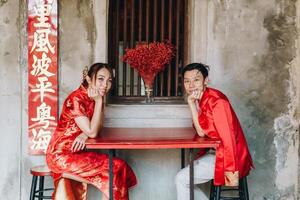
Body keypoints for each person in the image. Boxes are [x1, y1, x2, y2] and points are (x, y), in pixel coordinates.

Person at [46, 63, 137, 200]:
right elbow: (94, 133)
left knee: (116, 169)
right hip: (61, 155)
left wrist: (84, 134)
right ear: (89, 79)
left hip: (77, 153)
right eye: (100, 79)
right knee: (115, 170)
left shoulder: (94, 97)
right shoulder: (76, 99)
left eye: (109, 80)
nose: (105, 84)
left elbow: (98, 127)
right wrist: (99, 103)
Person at [175, 63, 254, 200]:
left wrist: (230, 174)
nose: (191, 85)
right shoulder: (202, 98)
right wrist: (191, 104)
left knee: (181, 179)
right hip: (216, 151)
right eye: (187, 81)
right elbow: (201, 132)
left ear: (206, 81)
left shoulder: (217, 102)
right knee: (183, 178)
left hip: (228, 156)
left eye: (196, 80)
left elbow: (228, 139)